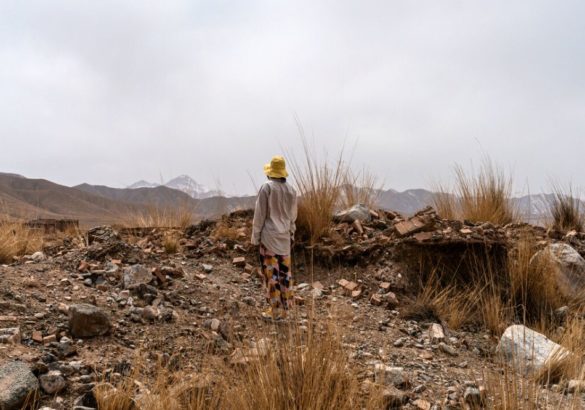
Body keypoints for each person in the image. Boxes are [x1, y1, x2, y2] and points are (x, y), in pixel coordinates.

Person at [251, 155, 298, 321]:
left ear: (270, 172)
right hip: (284, 238)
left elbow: (260, 215)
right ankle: (286, 310)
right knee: (285, 274)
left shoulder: (267, 188)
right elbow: (293, 217)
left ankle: (275, 310)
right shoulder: (291, 190)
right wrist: (291, 233)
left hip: (269, 238)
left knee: (272, 275)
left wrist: (255, 238)